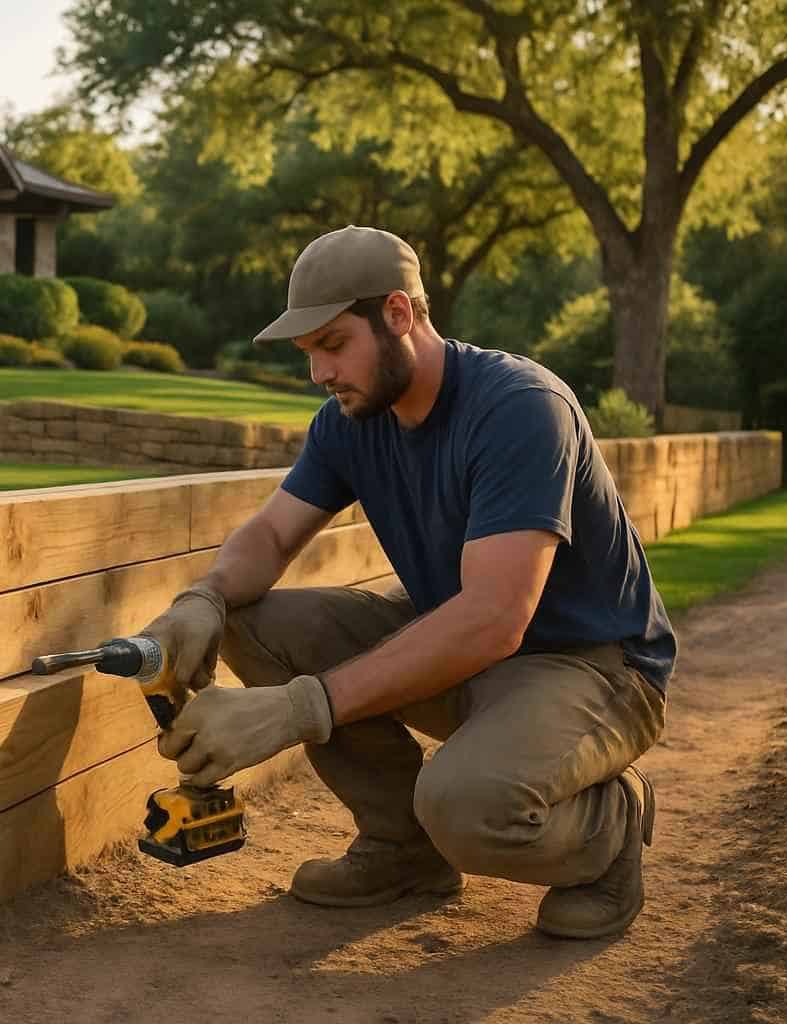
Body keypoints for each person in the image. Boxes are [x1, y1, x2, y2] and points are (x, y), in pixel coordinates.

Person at [141, 225, 674, 940]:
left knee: (462, 804)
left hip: (593, 664)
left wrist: (298, 709)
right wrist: (202, 598)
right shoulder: (350, 420)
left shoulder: (518, 407)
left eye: (332, 345)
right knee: (251, 618)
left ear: (399, 314)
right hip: (468, 650)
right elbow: (271, 536)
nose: (319, 373)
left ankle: (611, 829)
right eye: (308, 354)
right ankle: (402, 852)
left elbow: (494, 617)